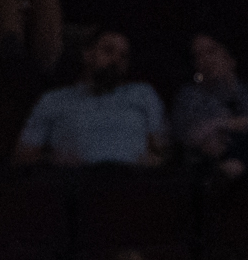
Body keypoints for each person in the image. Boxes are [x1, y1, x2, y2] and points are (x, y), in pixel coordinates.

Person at [13, 29, 167, 168]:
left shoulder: (143, 94)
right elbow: (24, 156)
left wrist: (152, 163)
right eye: (108, 51)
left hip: (132, 183)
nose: (116, 60)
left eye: (123, 56)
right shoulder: (54, 100)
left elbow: (163, 150)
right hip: (76, 184)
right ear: (87, 54)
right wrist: (55, 161)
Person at [170, 34, 248, 179]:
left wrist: (246, 123)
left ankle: (237, 165)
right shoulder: (190, 95)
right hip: (217, 156)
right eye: (198, 55)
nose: (205, 60)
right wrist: (225, 124)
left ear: (230, 56)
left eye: (211, 51)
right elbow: (184, 132)